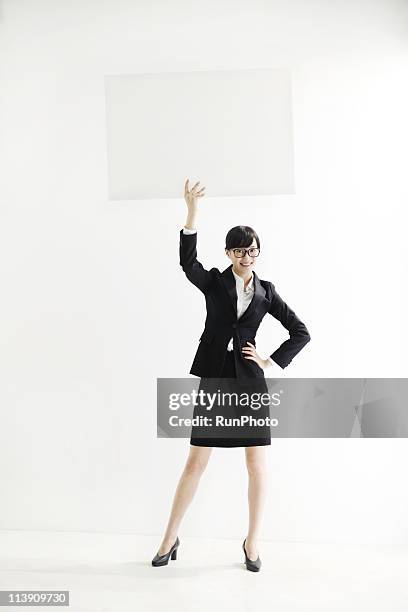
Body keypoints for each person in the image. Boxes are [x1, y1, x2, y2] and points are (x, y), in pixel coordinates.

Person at [152, 179, 311, 571]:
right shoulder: (215, 282)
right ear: (229, 252)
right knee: (195, 462)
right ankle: (170, 537)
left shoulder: (267, 291)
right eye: (240, 250)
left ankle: (252, 542)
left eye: (252, 250)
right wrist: (192, 214)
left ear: (258, 253)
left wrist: (269, 360)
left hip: (250, 382)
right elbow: (187, 264)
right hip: (215, 377)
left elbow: (301, 332)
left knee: (256, 465)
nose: (247, 256)